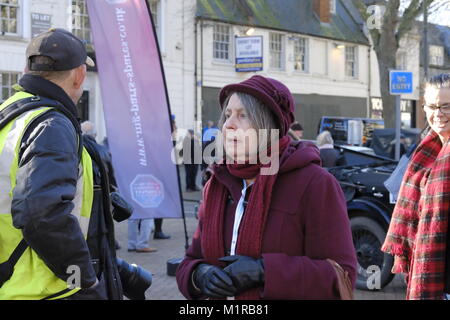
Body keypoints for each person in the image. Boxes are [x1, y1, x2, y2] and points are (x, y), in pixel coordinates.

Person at [176, 75, 356, 300]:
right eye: (228, 114)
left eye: (243, 115)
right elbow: (190, 260)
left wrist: (264, 271)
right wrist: (198, 275)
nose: (229, 124)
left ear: (268, 125)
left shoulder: (315, 183)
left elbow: (342, 275)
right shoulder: (217, 184)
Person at [0, 28, 105, 299]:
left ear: (26, 68)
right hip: (43, 289)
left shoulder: (9, 113)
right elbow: (41, 214)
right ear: (80, 75)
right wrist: (82, 275)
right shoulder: (52, 124)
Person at [382, 73, 450, 300]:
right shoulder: (425, 150)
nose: (438, 114)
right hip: (429, 269)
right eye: (432, 106)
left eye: (446, 107)